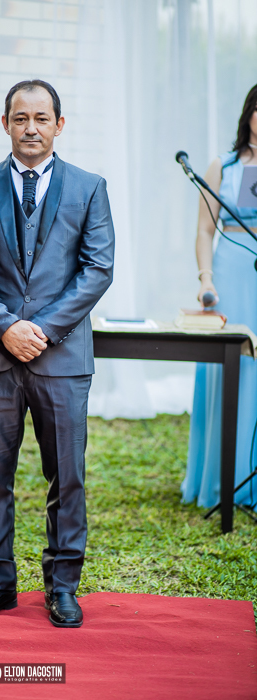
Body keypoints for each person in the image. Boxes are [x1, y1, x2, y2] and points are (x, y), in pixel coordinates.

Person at [0, 80, 115, 627]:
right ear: (5, 124)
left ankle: (62, 586)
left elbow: (98, 269)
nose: (31, 128)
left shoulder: (90, 188)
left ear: (59, 125)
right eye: (20, 118)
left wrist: (39, 330)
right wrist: (6, 329)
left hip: (61, 357)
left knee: (66, 476)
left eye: (41, 118)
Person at [182, 84, 257, 510]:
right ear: (248, 112)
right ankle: (221, 480)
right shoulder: (222, 166)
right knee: (233, 364)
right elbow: (205, 229)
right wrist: (206, 278)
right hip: (231, 272)